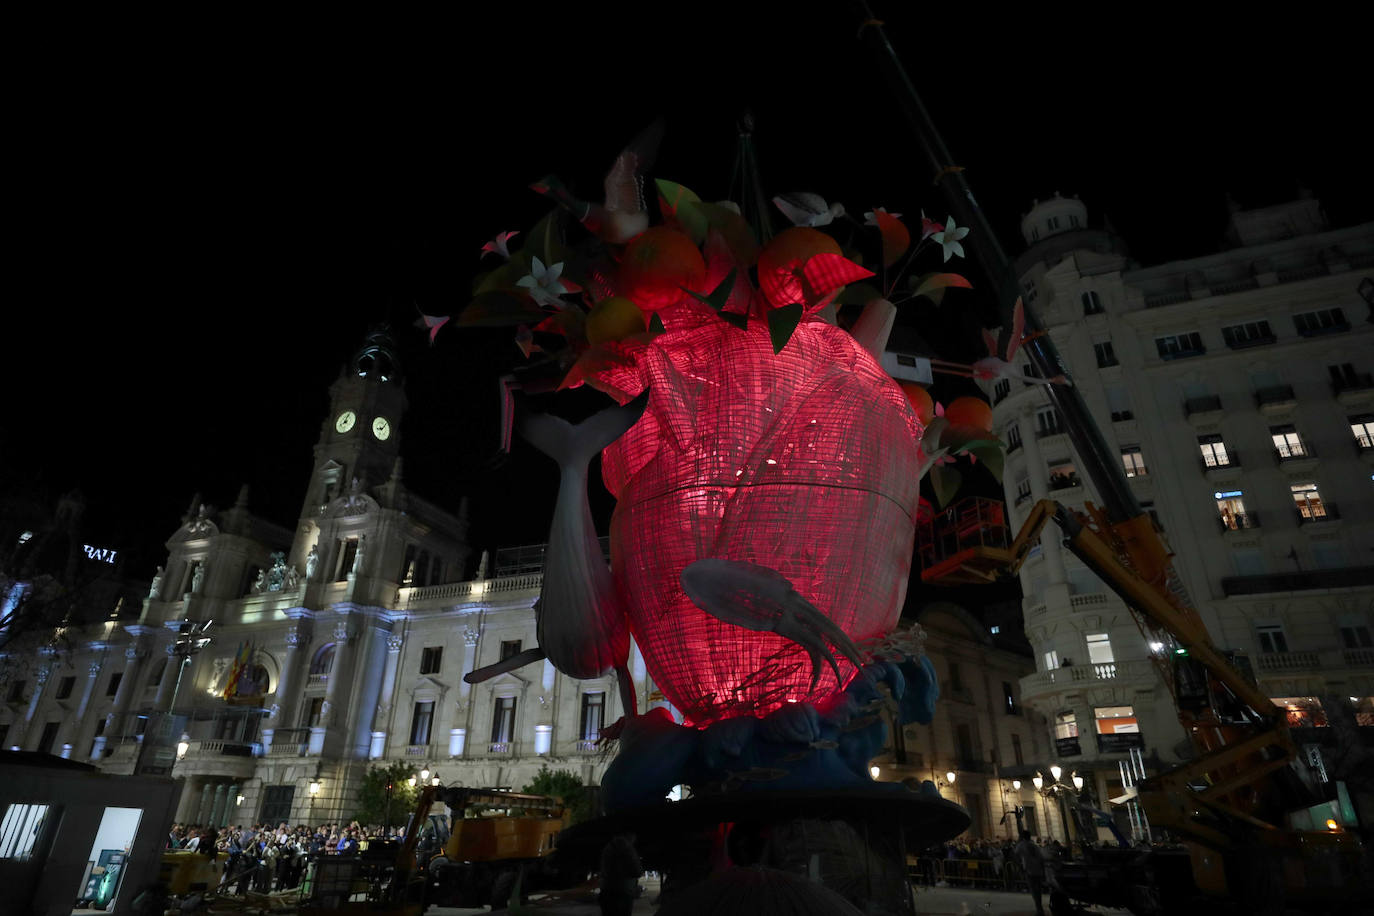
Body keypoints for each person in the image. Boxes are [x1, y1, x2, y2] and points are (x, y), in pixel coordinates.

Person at [598, 832, 642, 916]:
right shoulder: (629, 849)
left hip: (607, 890)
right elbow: (637, 871)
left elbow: (604, 869)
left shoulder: (608, 847)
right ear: (630, 836)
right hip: (624, 892)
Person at [1014, 830, 1046, 916]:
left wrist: (1020, 866)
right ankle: (1039, 907)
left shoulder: (1021, 845)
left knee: (1033, 890)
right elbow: (1041, 858)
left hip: (1029, 870)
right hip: (1038, 870)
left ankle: (1039, 909)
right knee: (1038, 890)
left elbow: (1015, 855)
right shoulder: (1035, 845)